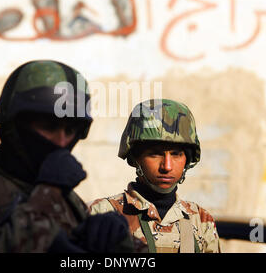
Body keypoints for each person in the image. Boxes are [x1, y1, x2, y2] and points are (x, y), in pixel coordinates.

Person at [0, 59, 136, 253]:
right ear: (15, 127)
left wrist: (121, 243)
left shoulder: (69, 199)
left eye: (69, 130)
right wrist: (48, 192)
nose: (61, 141)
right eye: (49, 127)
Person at [89, 99, 221, 253]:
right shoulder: (101, 213)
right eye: (155, 154)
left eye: (176, 154)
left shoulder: (201, 221)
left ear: (187, 159)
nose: (167, 166)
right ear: (135, 158)